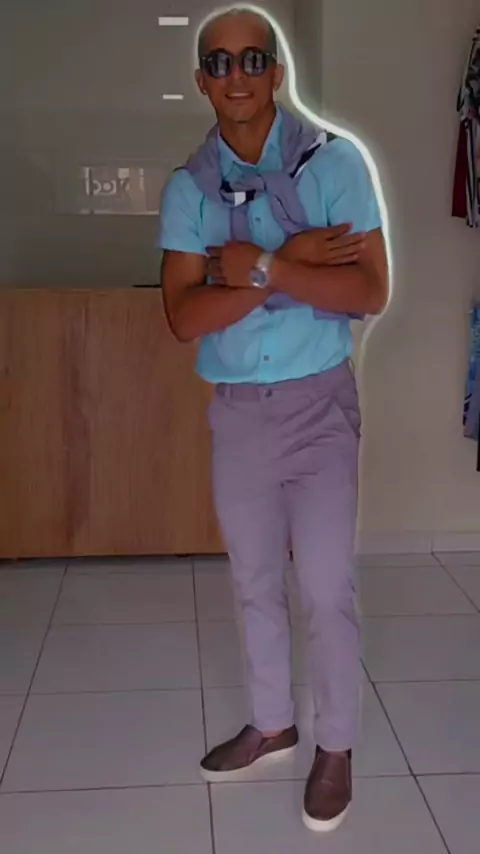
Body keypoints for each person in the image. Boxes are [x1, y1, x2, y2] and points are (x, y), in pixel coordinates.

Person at [157, 6, 388, 833]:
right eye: (219, 63)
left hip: (319, 407)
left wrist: (254, 267)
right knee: (254, 579)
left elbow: (367, 291)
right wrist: (288, 266)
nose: (238, 75)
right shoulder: (188, 188)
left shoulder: (336, 164)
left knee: (324, 587)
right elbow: (184, 316)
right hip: (239, 417)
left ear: (278, 73)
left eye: (253, 59)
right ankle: (273, 723)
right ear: (201, 82)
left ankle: (337, 746)